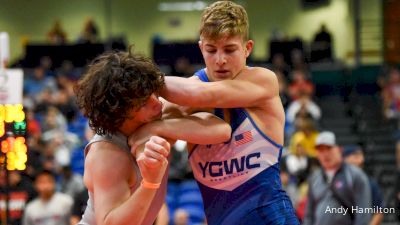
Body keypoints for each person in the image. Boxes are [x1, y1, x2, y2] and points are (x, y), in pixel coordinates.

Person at [142, 1, 300, 224]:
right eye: (211, 50)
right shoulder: (185, 94)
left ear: (248, 48)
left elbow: (204, 95)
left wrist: (139, 80)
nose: (220, 60)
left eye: (229, 49)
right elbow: (147, 125)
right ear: (200, 48)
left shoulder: (264, 82)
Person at [74, 48, 231, 225]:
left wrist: (161, 127)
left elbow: (222, 130)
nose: (157, 103)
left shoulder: (155, 114)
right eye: (143, 103)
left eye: (153, 93)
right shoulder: (107, 155)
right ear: (120, 112)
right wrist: (150, 183)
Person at [303, 131, 372, 225]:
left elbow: (363, 213)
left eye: (329, 148)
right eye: (320, 150)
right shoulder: (314, 177)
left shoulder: (355, 175)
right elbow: (309, 214)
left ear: (339, 149)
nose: (325, 154)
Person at [343, 145, 385, 225]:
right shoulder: (336, 182)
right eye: (356, 155)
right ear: (345, 159)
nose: (361, 159)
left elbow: (379, 212)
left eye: (361, 155)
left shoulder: (370, 183)